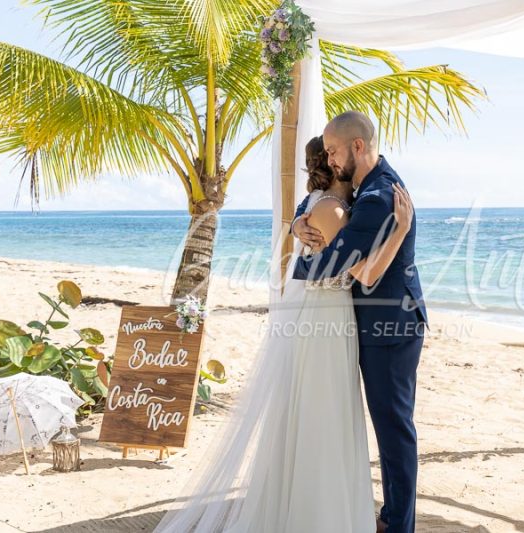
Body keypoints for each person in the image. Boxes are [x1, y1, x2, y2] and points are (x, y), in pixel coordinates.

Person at [154, 135, 414, 533]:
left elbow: (333, 249)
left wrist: (297, 230)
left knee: (355, 418)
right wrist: (396, 230)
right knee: (332, 413)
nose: (334, 159)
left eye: (335, 152)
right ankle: (340, 514)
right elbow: (358, 272)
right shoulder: (337, 206)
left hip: (358, 321)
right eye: (329, 154)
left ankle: (380, 519)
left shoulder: (343, 199)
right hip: (333, 320)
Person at [292, 111, 428, 533]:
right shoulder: (363, 185)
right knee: (387, 424)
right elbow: (319, 199)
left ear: (357, 146)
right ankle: (391, 516)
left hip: (389, 327)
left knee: (393, 429)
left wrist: (302, 258)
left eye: (333, 151)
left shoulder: (376, 198)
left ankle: (398, 525)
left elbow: (330, 266)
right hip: (376, 323)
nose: (330, 160)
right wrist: (298, 223)